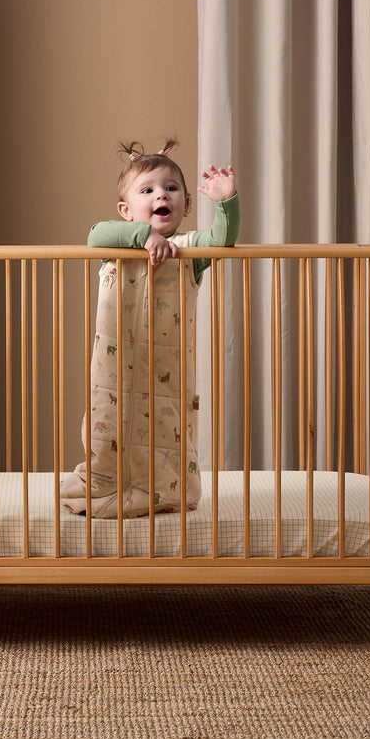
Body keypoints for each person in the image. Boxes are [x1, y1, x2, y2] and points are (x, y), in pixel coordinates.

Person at [60, 138, 239, 518]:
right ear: (126, 210)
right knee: (107, 425)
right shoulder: (119, 243)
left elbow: (222, 240)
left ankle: (162, 491)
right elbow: (95, 233)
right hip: (114, 366)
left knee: (167, 430)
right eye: (149, 189)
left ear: (187, 205)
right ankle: (107, 480)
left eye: (171, 189)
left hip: (166, 371)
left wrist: (225, 202)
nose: (163, 195)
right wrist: (145, 237)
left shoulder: (190, 250)